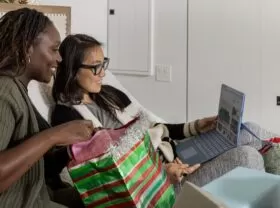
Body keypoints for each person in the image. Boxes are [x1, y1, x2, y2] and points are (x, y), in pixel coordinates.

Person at [51, 34, 264, 187]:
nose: (102, 73)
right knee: (246, 157)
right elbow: (104, 174)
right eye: (95, 66)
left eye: (103, 63)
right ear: (72, 70)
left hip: (175, 155)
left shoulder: (109, 94)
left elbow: (154, 128)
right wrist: (162, 175)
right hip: (159, 184)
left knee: (249, 130)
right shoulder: (68, 117)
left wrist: (198, 126)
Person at [0, 9, 95, 208]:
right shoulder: (4, 90)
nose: (59, 59)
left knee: (104, 197)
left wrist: (76, 144)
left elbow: (33, 160)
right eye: (54, 49)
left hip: (40, 196)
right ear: (27, 48)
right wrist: (54, 135)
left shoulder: (19, 90)